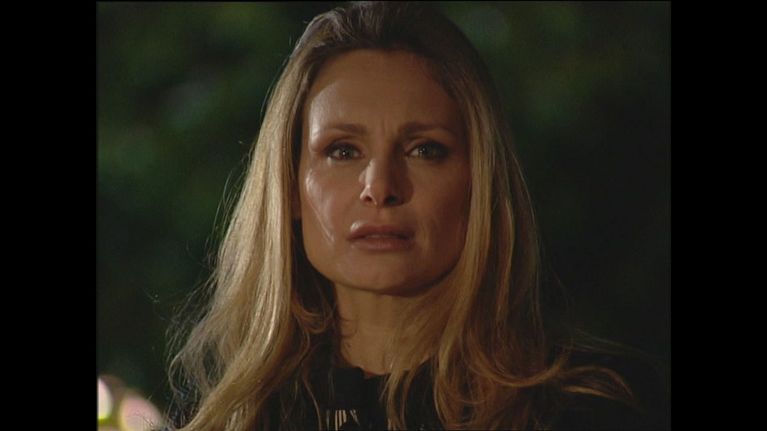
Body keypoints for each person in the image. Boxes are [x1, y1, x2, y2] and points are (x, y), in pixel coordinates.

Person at [164, 2, 668, 430]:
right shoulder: (225, 415)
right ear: (289, 187)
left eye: (424, 150)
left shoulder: (593, 408)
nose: (381, 188)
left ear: (479, 182)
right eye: (343, 151)